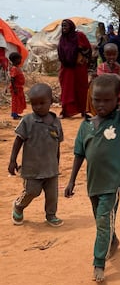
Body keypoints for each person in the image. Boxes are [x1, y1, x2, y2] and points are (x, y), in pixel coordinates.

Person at [64, 73, 120, 283]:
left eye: (107, 100)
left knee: (104, 219)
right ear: (90, 99)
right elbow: (79, 154)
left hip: (112, 184)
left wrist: (114, 76)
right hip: (93, 183)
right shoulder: (85, 126)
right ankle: (112, 241)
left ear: (116, 101)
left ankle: (98, 263)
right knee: (101, 220)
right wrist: (71, 181)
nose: (101, 104)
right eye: (97, 99)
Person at [9, 83, 64, 227]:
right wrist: (12, 161)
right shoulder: (28, 121)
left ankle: (51, 215)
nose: (38, 107)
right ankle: (19, 206)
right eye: (34, 104)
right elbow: (18, 141)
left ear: (51, 102)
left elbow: (57, 144)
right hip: (32, 168)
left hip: (51, 167)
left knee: (52, 195)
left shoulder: (56, 122)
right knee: (32, 191)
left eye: (42, 103)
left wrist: (57, 162)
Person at [57, 19, 91, 118]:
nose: (64, 28)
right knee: (67, 90)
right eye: (62, 26)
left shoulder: (79, 36)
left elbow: (88, 49)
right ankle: (66, 111)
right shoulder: (63, 39)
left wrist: (80, 51)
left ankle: (83, 110)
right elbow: (61, 53)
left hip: (79, 67)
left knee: (81, 88)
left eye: (66, 26)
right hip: (67, 68)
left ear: (71, 26)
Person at [86, 43, 120, 116]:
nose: (111, 57)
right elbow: (103, 78)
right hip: (105, 93)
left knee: (117, 112)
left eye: (114, 55)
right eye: (109, 55)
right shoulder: (101, 67)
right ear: (104, 55)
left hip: (117, 94)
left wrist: (117, 68)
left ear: (117, 54)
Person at [8, 52, 26, 120]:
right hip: (16, 88)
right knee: (15, 101)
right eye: (19, 59)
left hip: (19, 88)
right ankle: (14, 115)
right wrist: (14, 88)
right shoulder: (14, 69)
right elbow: (12, 79)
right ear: (15, 60)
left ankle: (16, 114)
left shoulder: (17, 67)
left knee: (18, 101)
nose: (20, 61)